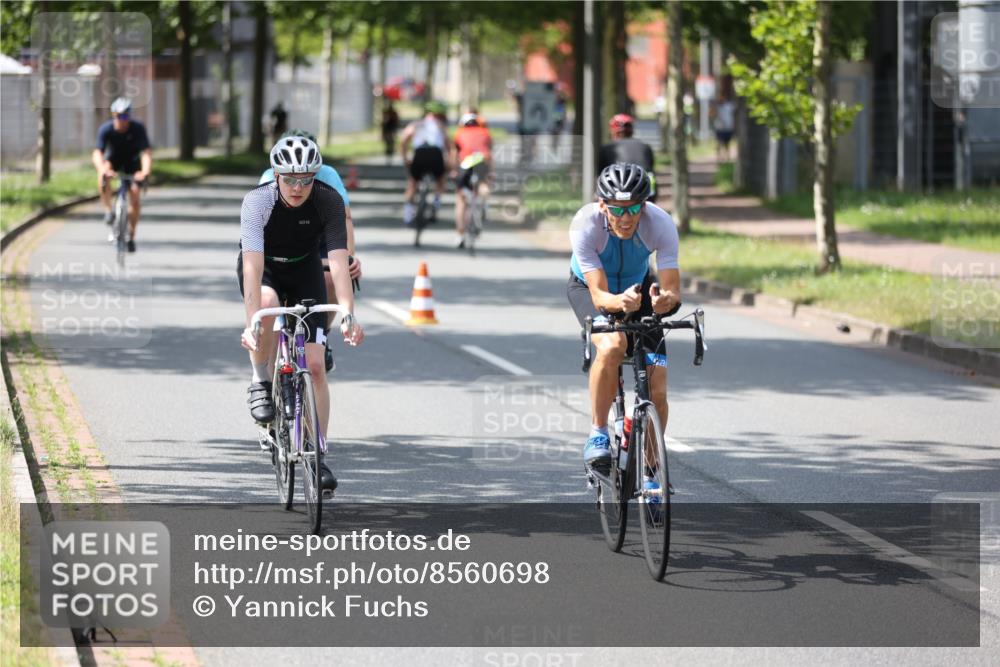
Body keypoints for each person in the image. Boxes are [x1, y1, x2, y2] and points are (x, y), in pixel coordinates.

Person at [239, 136, 365, 493]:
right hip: (265, 269)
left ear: (316, 176)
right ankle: (260, 379)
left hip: (304, 267)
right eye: (290, 179)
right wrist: (252, 324)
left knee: (316, 365)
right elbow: (252, 265)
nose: (297, 187)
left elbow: (339, 264)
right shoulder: (257, 202)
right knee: (265, 303)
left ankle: (317, 453)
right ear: (275, 175)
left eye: (305, 179)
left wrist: (348, 315)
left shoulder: (328, 199)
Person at [567, 163, 680, 500]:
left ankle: (650, 472)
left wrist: (664, 303)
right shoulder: (585, 224)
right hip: (591, 290)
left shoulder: (660, 223)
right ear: (603, 206)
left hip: (639, 289)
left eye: (633, 209)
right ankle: (598, 433)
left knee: (657, 384)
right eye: (617, 210)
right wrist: (620, 303)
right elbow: (600, 295)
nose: (626, 218)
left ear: (644, 206)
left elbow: (673, 290)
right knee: (613, 345)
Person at [258, 129, 363, 373]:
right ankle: (266, 376)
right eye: (291, 176)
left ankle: (320, 337)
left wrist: (350, 257)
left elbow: (345, 219)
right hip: (282, 242)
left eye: (308, 174)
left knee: (334, 276)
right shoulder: (266, 181)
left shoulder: (328, 175)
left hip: (319, 237)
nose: (299, 181)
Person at [92, 97, 152, 252]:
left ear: (129, 116)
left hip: (132, 164)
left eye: (125, 116)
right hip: (113, 161)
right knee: (102, 176)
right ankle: (108, 211)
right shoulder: (106, 129)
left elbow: (146, 153)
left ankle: (131, 236)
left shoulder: (137, 128)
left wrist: (145, 172)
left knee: (135, 195)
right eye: (117, 116)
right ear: (113, 115)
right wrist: (102, 169)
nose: (121, 120)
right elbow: (97, 152)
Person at [399, 101, 452, 227]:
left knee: (412, 182)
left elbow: (404, 140)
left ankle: (408, 214)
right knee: (440, 178)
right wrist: (449, 163)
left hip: (420, 153)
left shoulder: (416, 124)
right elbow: (449, 146)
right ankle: (436, 204)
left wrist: (405, 158)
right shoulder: (441, 125)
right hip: (435, 154)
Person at [450, 112, 493, 249]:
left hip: (466, 163)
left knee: (461, 199)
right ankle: (483, 205)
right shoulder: (486, 132)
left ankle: (460, 234)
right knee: (483, 185)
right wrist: (491, 173)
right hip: (481, 161)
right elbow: (490, 154)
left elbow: (454, 154)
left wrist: (454, 170)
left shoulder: (459, 133)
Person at [598, 114, 657, 202]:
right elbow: (651, 168)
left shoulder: (607, 148)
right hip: (646, 190)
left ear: (613, 131)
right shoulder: (645, 146)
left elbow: (601, 173)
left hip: (619, 192)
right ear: (631, 130)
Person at [713, 96, 736, 161]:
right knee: (719, 143)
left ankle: (727, 157)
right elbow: (711, 114)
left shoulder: (729, 106)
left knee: (727, 144)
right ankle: (719, 158)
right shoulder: (717, 107)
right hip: (719, 129)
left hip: (728, 128)